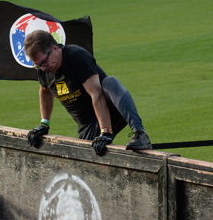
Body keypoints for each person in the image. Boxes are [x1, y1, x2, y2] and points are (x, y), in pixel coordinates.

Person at [24, 31, 152, 155]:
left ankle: (140, 134)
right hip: (87, 125)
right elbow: (45, 91)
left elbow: (97, 94)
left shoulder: (76, 56)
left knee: (110, 82)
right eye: (38, 65)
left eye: (44, 62)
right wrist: (44, 124)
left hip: (110, 110)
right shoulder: (44, 69)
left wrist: (105, 132)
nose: (43, 68)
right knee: (83, 159)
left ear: (55, 48)